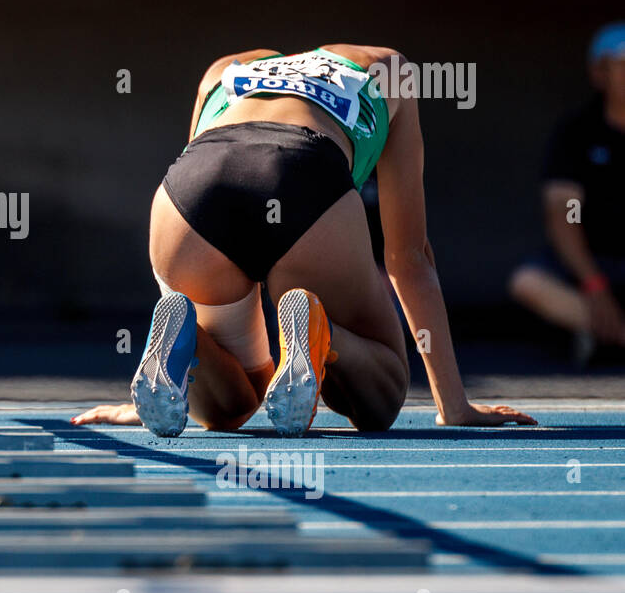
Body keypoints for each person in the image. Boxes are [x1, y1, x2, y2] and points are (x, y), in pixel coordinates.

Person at [72, 44, 535, 437]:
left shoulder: (223, 69)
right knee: (380, 399)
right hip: (303, 175)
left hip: (192, 192)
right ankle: (320, 329)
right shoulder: (390, 66)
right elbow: (408, 257)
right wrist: (455, 406)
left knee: (229, 409)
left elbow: (198, 161)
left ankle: (184, 342)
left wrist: (136, 405)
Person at [509, 23, 625, 364]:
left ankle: (603, 340)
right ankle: (615, 335)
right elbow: (561, 215)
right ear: (600, 72)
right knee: (528, 282)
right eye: (622, 64)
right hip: (592, 263)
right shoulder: (578, 131)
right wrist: (593, 282)